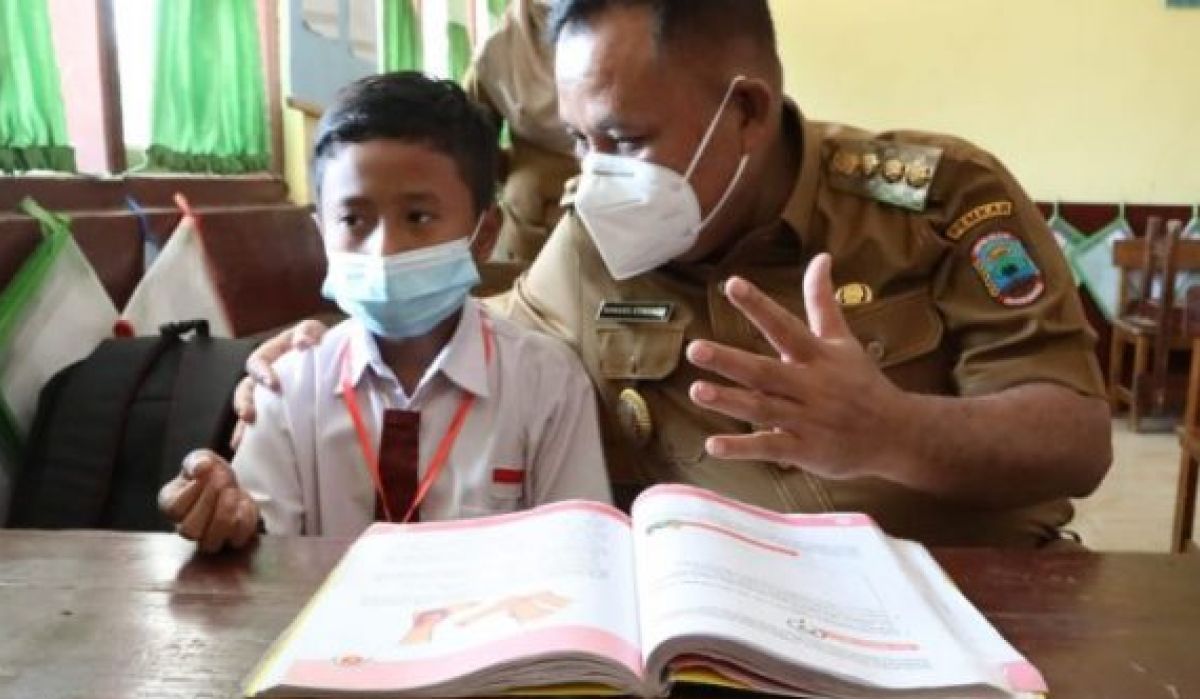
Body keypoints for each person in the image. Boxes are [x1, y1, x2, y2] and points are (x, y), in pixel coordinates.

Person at [236, 1, 1112, 548]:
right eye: (579, 139)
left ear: (747, 113)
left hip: (965, 600)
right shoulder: (589, 242)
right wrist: (323, 345)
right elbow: (487, 325)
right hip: (710, 633)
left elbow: (1074, 439)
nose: (592, 176)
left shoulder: (935, 201)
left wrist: (889, 431)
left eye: (623, 140)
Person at [159, 72, 610, 552]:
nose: (384, 249)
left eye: (418, 218)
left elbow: (576, 555)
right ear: (320, 231)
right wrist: (224, 514)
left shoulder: (546, 382)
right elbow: (259, 545)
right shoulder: (288, 385)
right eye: (353, 220)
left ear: (482, 234)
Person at [463, 0, 578, 271]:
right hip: (529, 233)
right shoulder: (498, 51)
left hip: (628, 213)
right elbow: (467, 145)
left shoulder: (642, 33)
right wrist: (524, 175)